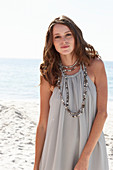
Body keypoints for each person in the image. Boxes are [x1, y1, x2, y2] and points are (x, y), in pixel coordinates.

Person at [34, 15, 109, 170]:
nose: (64, 41)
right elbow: (42, 124)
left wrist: (85, 157)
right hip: (56, 150)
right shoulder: (49, 74)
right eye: (57, 37)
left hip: (90, 150)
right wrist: (36, 165)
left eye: (68, 35)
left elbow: (102, 113)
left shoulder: (95, 66)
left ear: (76, 36)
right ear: (52, 43)